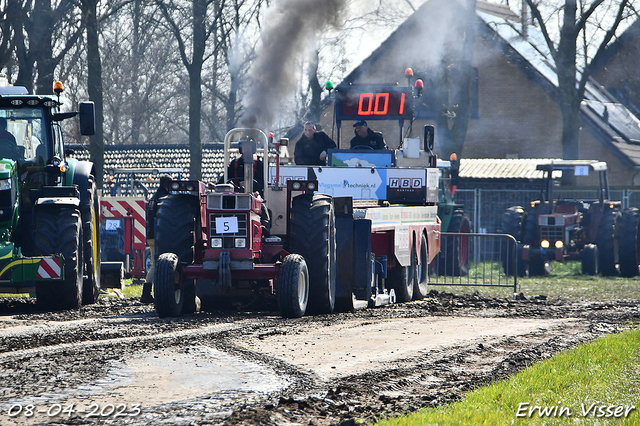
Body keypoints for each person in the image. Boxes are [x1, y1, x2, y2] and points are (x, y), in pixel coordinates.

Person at [141, 174, 172, 304]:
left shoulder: (153, 198)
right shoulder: (163, 199)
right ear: (167, 185)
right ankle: (146, 293)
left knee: (155, 265)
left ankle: (147, 293)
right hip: (158, 237)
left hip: (151, 235)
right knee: (155, 266)